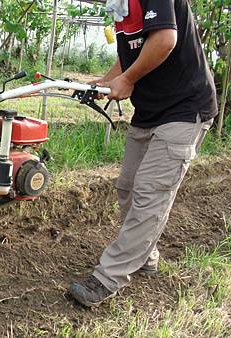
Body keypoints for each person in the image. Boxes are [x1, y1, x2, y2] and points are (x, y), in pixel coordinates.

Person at [68, 0, 218, 307]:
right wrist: (106, 82)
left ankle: (108, 277)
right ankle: (146, 257)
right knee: (128, 186)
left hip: (185, 109)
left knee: (150, 192)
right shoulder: (122, 5)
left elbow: (164, 40)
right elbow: (131, 54)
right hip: (151, 110)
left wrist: (127, 81)